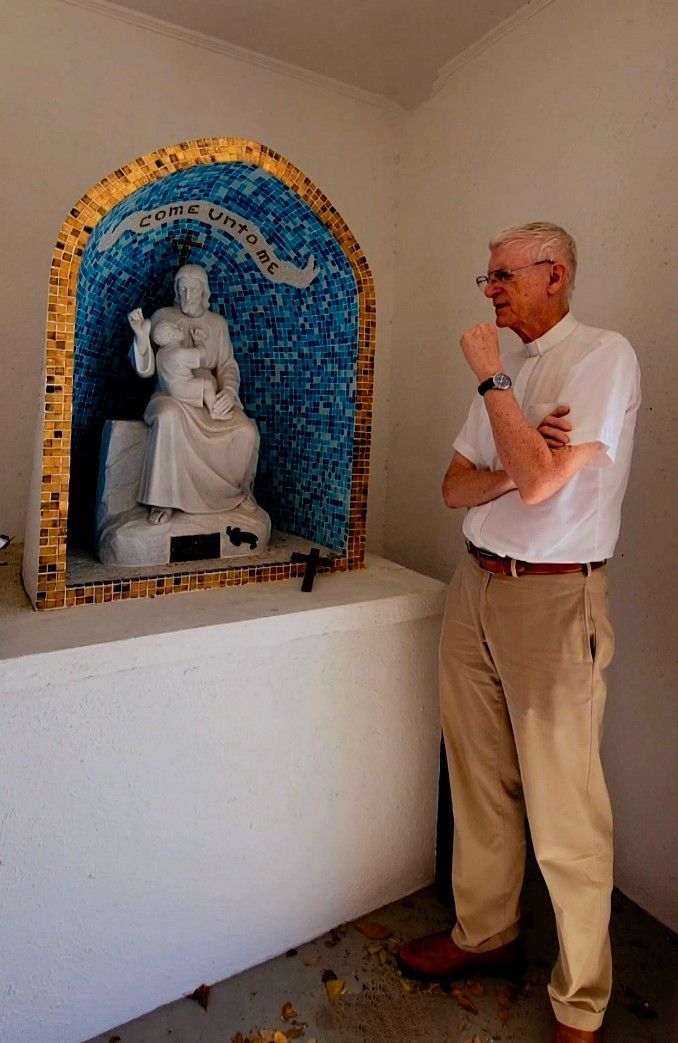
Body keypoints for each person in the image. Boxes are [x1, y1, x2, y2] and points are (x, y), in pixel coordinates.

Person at [397, 223, 641, 1043]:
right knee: (478, 777)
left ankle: (581, 1000)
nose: (489, 288)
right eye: (488, 276)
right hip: (478, 586)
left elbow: (541, 486)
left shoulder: (603, 356)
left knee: (567, 807)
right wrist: (517, 460)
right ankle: (486, 932)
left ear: (555, 274)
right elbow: (453, 485)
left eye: (501, 275)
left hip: (555, 599)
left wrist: (497, 385)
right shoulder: (514, 375)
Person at [127, 264, 259, 525]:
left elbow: (227, 365)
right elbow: (146, 368)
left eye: (193, 290)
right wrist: (142, 339)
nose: (188, 296)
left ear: (204, 292)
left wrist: (230, 392)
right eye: (183, 289)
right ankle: (164, 499)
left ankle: (234, 494)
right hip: (171, 395)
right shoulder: (163, 316)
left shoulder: (217, 324)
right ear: (176, 290)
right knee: (168, 417)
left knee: (246, 432)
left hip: (207, 398)